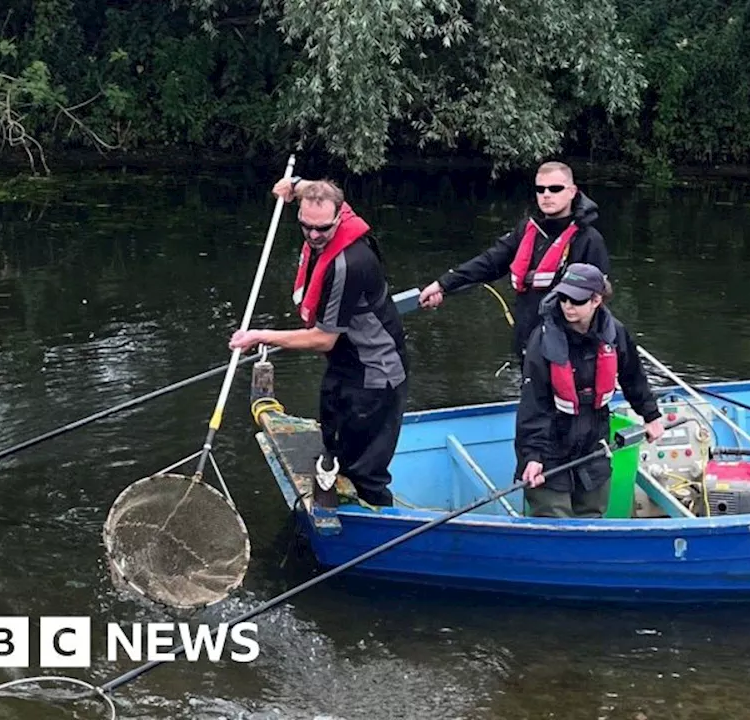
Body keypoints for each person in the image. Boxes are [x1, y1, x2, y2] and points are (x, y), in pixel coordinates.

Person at [229, 177, 408, 507]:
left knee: (364, 468)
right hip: (346, 363)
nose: (313, 236)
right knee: (332, 436)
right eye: (306, 227)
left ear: (339, 218)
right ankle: (337, 492)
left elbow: (324, 339)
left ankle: (376, 522)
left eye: (322, 229)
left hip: (375, 373)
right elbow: (312, 190)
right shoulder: (328, 212)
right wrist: (294, 184)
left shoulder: (348, 264)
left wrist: (260, 335)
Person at [417, 161, 611, 362]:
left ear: (572, 192)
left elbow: (599, 299)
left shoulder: (589, 239)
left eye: (555, 189)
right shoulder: (526, 229)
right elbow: (490, 262)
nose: (546, 194)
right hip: (529, 344)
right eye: (540, 189)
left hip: (570, 350)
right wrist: (443, 283)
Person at [515, 263, 665, 518]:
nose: (567, 305)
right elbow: (533, 403)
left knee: (592, 517)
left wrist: (651, 415)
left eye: (576, 300)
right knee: (552, 522)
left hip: (593, 443)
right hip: (551, 447)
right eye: (563, 297)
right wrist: (532, 455)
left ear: (596, 300)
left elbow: (633, 376)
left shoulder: (614, 332)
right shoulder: (542, 340)